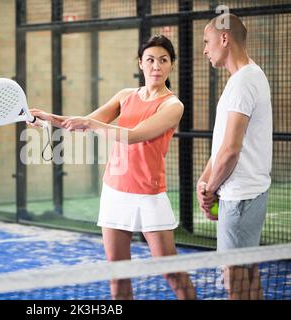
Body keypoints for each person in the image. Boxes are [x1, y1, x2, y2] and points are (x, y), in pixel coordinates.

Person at [31, 35, 196, 300]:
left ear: (171, 66)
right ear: (140, 63)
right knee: (118, 274)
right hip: (115, 192)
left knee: (171, 270)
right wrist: (50, 119)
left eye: (163, 60)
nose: (156, 66)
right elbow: (87, 121)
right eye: (150, 59)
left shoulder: (173, 105)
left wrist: (90, 125)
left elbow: (132, 135)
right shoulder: (125, 96)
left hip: (149, 195)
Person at [197, 14, 272, 299]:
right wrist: (205, 181)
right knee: (249, 276)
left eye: (207, 41)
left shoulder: (243, 82)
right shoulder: (248, 77)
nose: (205, 49)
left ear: (224, 38)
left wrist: (211, 189)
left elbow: (230, 152)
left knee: (235, 280)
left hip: (239, 197)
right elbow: (223, 146)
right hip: (245, 195)